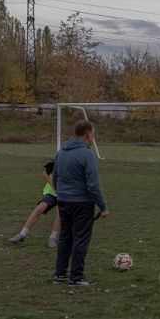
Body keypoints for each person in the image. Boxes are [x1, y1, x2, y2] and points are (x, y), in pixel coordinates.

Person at [52, 120, 109, 286]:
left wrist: (62, 194)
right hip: (82, 203)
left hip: (63, 201)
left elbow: (55, 177)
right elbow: (93, 185)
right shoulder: (87, 154)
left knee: (65, 237)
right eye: (93, 135)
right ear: (87, 135)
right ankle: (76, 276)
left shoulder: (61, 151)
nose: (93, 138)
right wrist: (103, 207)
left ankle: (60, 274)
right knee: (80, 239)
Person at [8, 160, 61, 248]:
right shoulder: (58, 161)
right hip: (52, 193)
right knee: (40, 207)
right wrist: (54, 186)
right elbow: (45, 173)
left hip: (65, 194)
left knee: (60, 212)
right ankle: (22, 234)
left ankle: (52, 238)